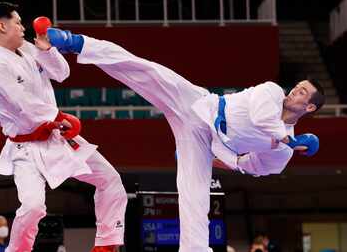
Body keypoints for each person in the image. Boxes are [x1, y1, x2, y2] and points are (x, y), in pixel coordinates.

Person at [46, 28, 324, 252]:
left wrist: (214, 161)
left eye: (302, 93)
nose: (295, 93)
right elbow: (263, 119)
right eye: (298, 87)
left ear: (309, 108)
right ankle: (78, 43)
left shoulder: (284, 151)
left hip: (205, 143)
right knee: (146, 71)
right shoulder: (272, 93)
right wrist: (289, 140)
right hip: (199, 105)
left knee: (196, 198)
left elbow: (251, 165)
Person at [0, 3, 127, 252]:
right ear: (2, 26)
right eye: (17, 22)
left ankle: (106, 244)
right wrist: (59, 117)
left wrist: (47, 51)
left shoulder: (27, 48)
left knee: (110, 179)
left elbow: (62, 73)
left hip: (57, 137)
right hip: (26, 146)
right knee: (34, 207)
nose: (22, 27)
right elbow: (22, 105)